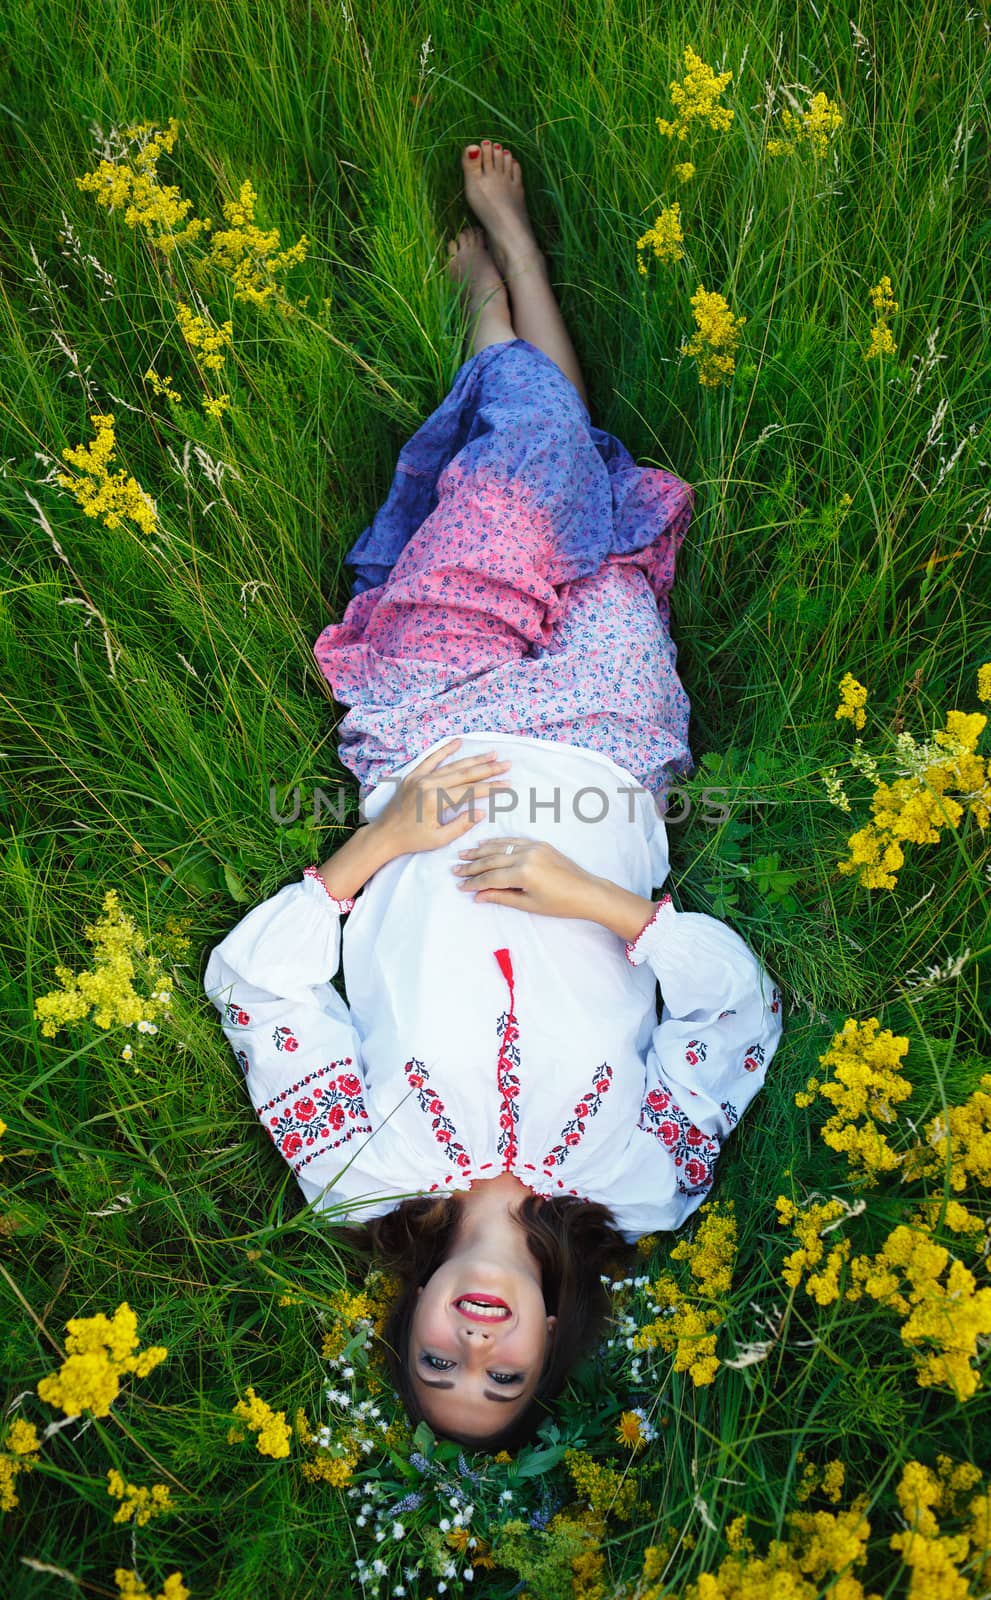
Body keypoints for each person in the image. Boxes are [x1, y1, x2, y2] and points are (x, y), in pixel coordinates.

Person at [204, 140, 783, 1451]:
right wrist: (598, 901)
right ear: (551, 1341)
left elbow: (259, 988)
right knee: (578, 528)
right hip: (605, 758)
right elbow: (735, 1010)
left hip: (434, 744)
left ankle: (495, 303)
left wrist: (384, 842)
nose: (472, 1345)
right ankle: (508, 268)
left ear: (405, 1322)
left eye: (436, 1364)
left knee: (524, 496)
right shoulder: (642, 1189)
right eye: (503, 1374)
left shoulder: (360, 1173)